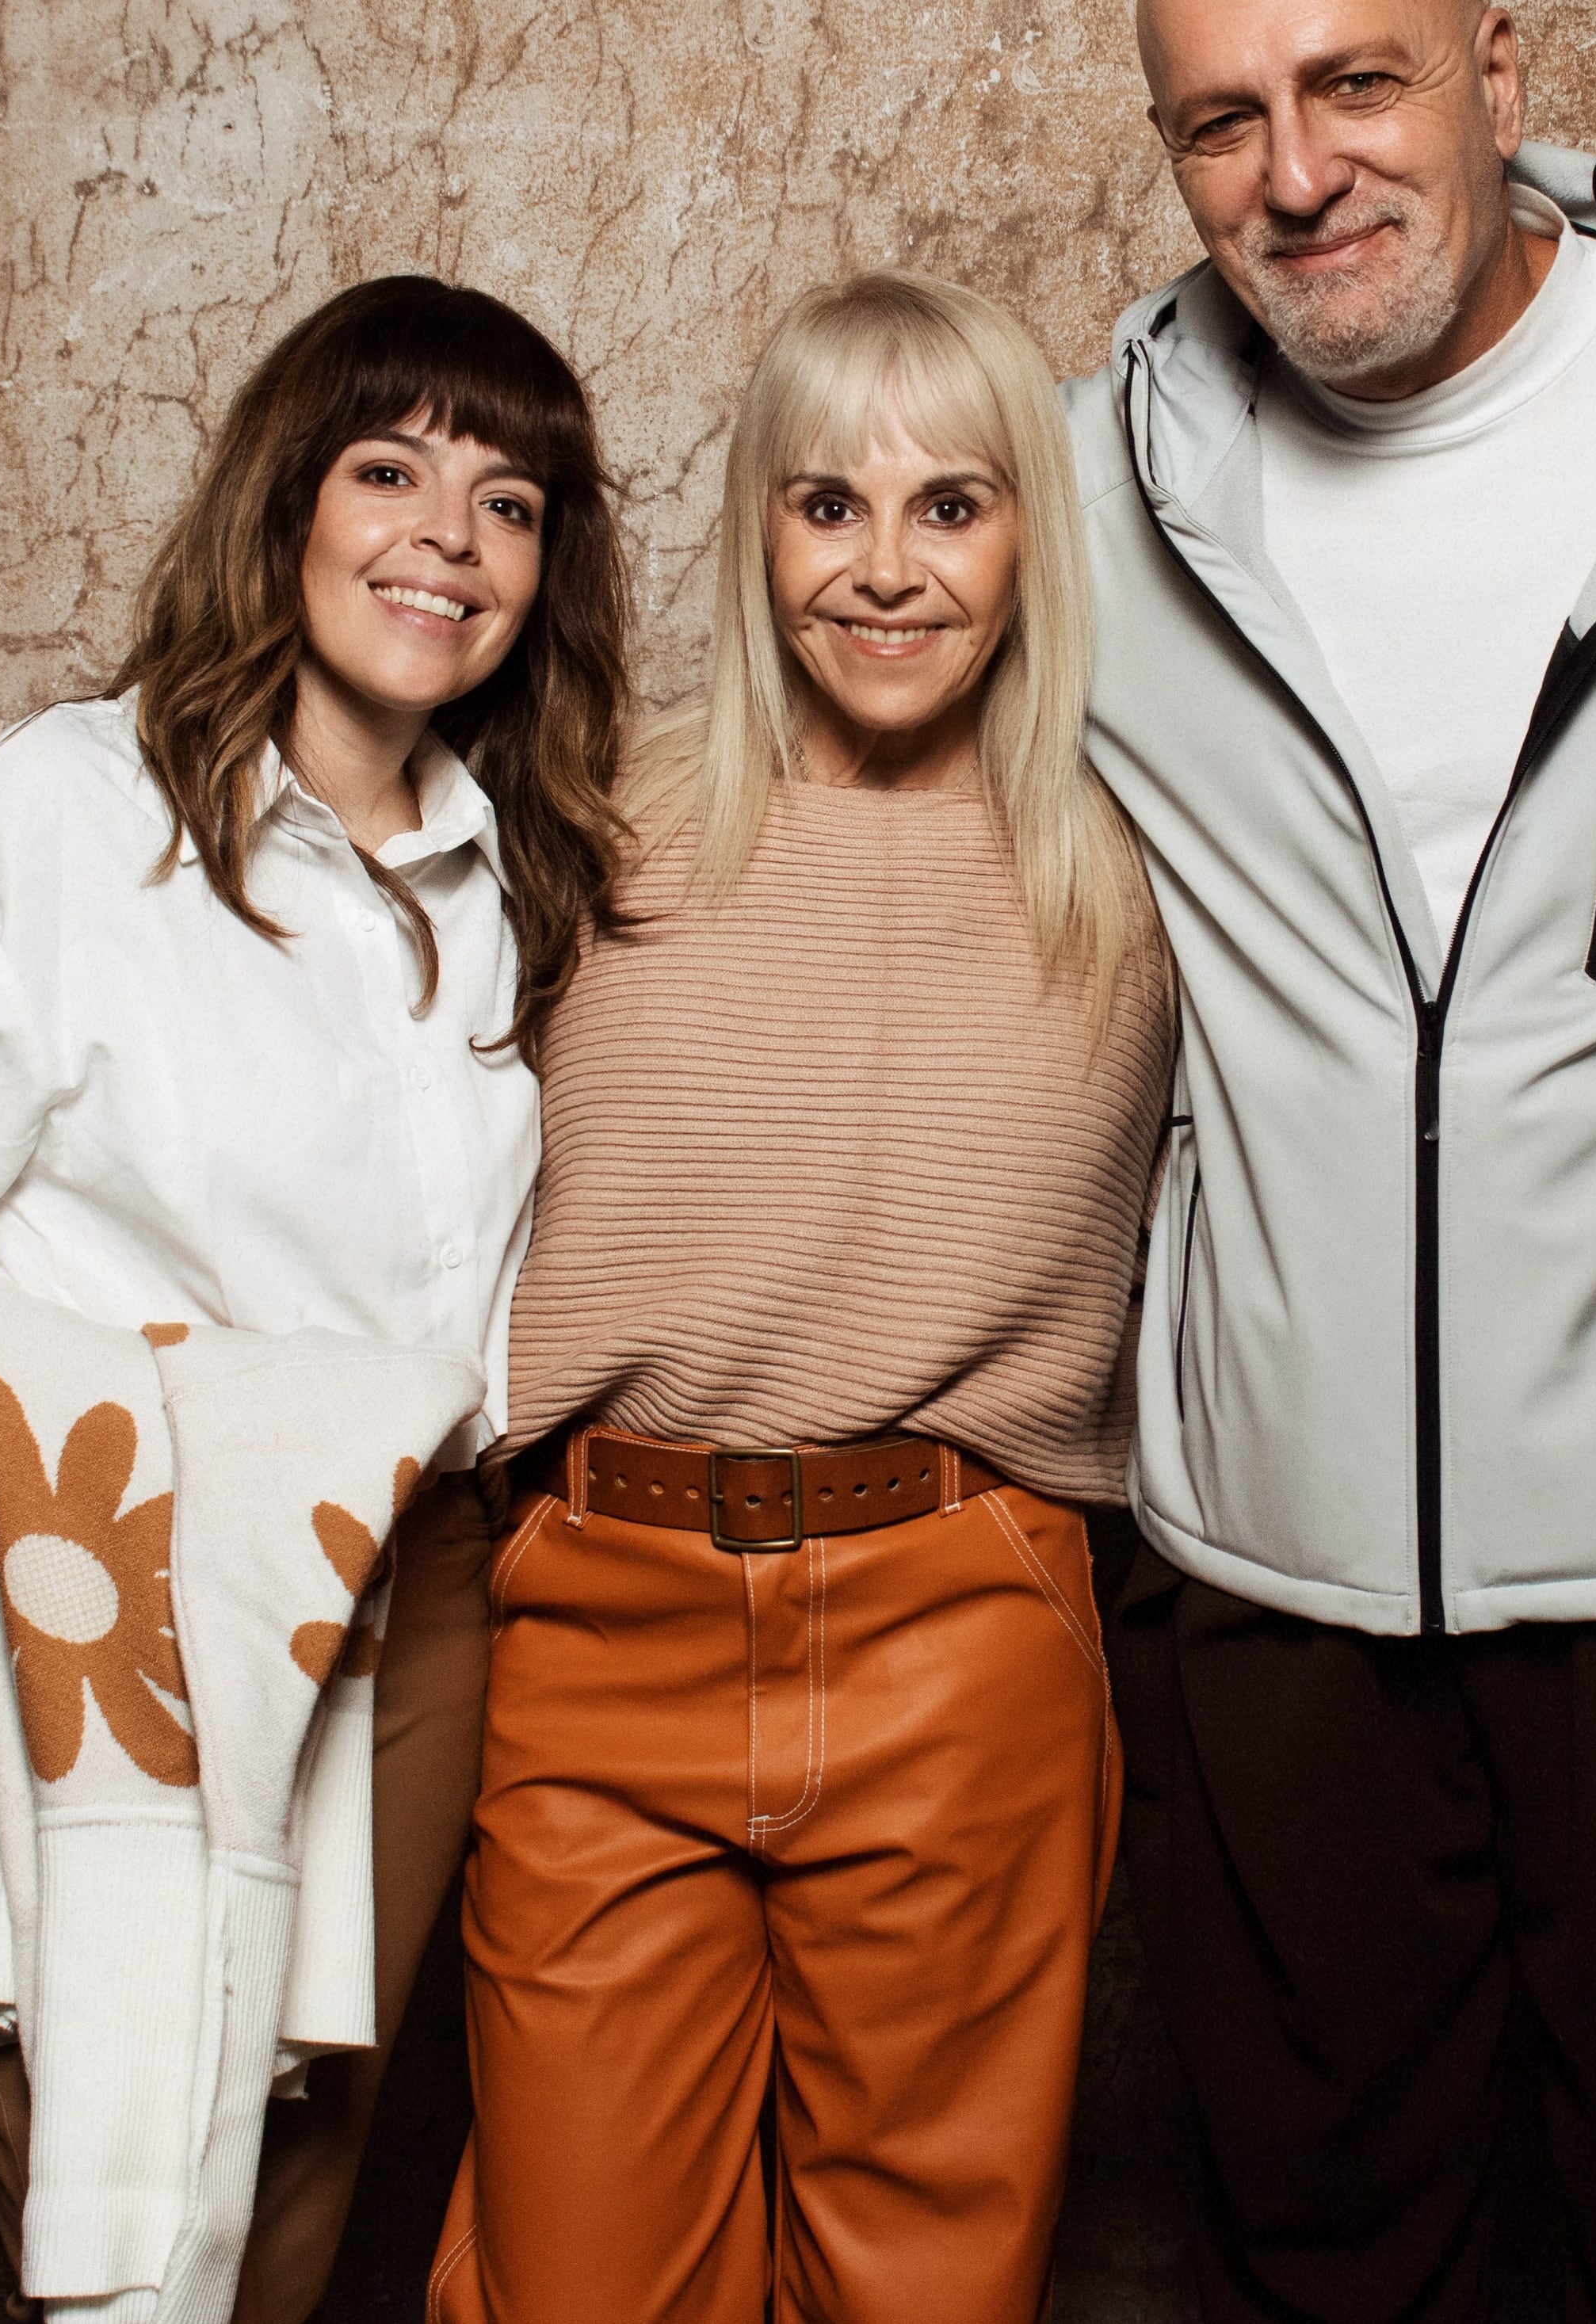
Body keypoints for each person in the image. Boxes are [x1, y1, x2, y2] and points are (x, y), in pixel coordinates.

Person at [1067, 0, 1596, 2322]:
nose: (1298, 174)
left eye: (1361, 81)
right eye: (1220, 118)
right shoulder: (1086, 488)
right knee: (1339, 2269)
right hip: (1275, 1592)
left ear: (1500, 70)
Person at [0, 274, 635, 2320]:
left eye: (509, 502)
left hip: (409, 1633)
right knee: (123, 2245)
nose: (445, 540)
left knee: (281, 2239)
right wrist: (193, 1474)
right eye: (389, 470)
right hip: (83, 1605)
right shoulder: (57, 819)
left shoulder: (528, 876)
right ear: (283, 502)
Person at [427, 272, 1173, 2324]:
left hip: (966, 1631)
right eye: (827, 504)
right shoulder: (582, 823)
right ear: (757, 529)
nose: (887, 568)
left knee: (927, 2292)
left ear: (1033, 532)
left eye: (952, 506)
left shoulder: (1141, 865)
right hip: (604, 1623)